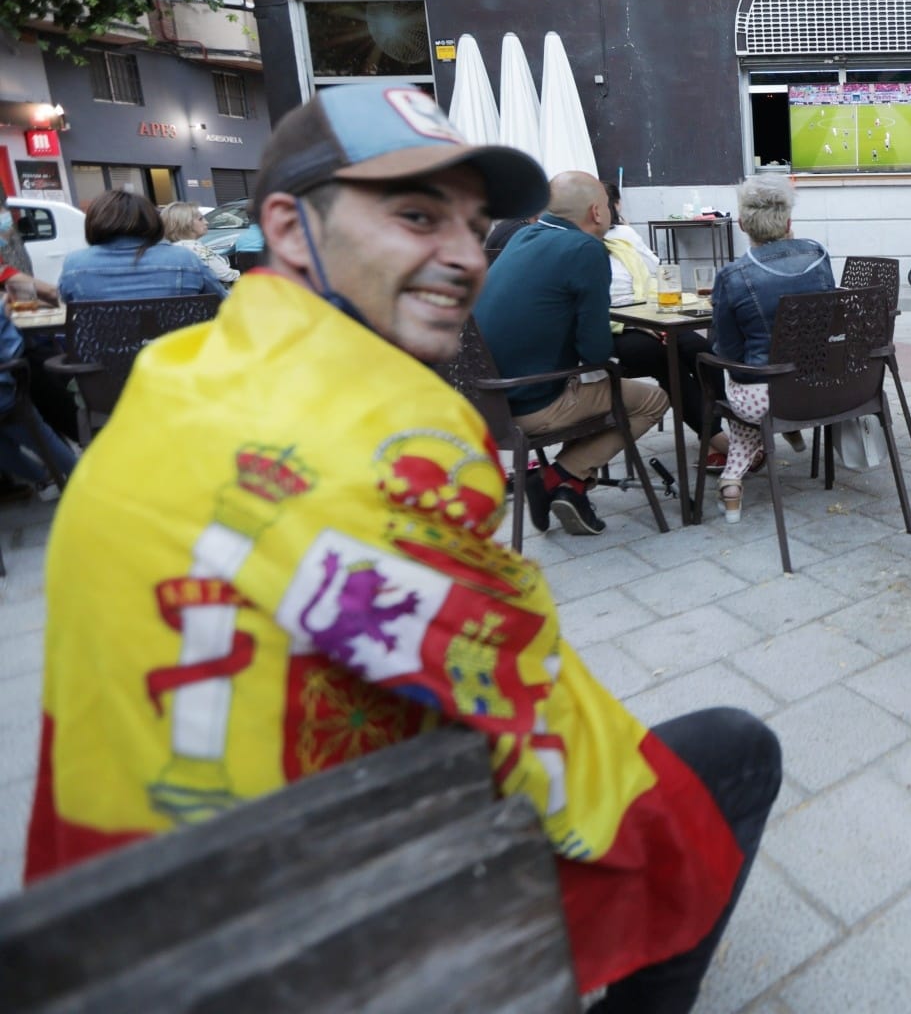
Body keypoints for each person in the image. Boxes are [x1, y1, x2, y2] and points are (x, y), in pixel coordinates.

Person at [26, 84, 780, 1014]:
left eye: (470, 224)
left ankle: (561, 479)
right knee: (735, 754)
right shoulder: (372, 455)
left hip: (156, 919)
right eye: (417, 216)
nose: (465, 256)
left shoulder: (173, 399)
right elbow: (546, 724)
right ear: (291, 230)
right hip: (349, 934)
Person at [473, 171, 671, 537]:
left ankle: (573, 489)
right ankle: (559, 477)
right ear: (597, 212)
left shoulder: (521, 238)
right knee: (652, 400)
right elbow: (595, 349)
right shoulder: (586, 249)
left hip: (485, 402)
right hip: (531, 403)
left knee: (600, 390)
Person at [707, 177, 835, 522]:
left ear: (742, 224)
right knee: (767, 381)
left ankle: (732, 481)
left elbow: (730, 353)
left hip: (765, 397)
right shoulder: (819, 256)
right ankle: (786, 428)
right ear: (789, 222)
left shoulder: (732, 276)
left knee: (744, 379)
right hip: (825, 388)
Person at [602, 182, 725, 469]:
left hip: (649, 316)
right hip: (616, 328)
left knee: (701, 349)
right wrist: (643, 324)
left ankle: (723, 424)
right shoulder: (579, 246)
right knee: (665, 359)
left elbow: (658, 271)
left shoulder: (623, 236)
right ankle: (717, 440)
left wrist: (661, 314)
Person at [57, 190, 228, 302]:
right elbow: (222, 302)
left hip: (101, 356)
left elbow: (66, 305)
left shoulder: (75, 264)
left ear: (93, 222)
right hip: (175, 354)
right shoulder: (185, 259)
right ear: (151, 219)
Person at [0, 308, 76, 497]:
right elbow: (13, 350)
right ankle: (77, 476)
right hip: (7, 394)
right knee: (36, 432)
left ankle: (42, 476)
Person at [160, 201, 241, 285]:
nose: (206, 222)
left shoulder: (169, 248)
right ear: (186, 223)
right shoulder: (196, 248)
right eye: (200, 219)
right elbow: (226, 275)